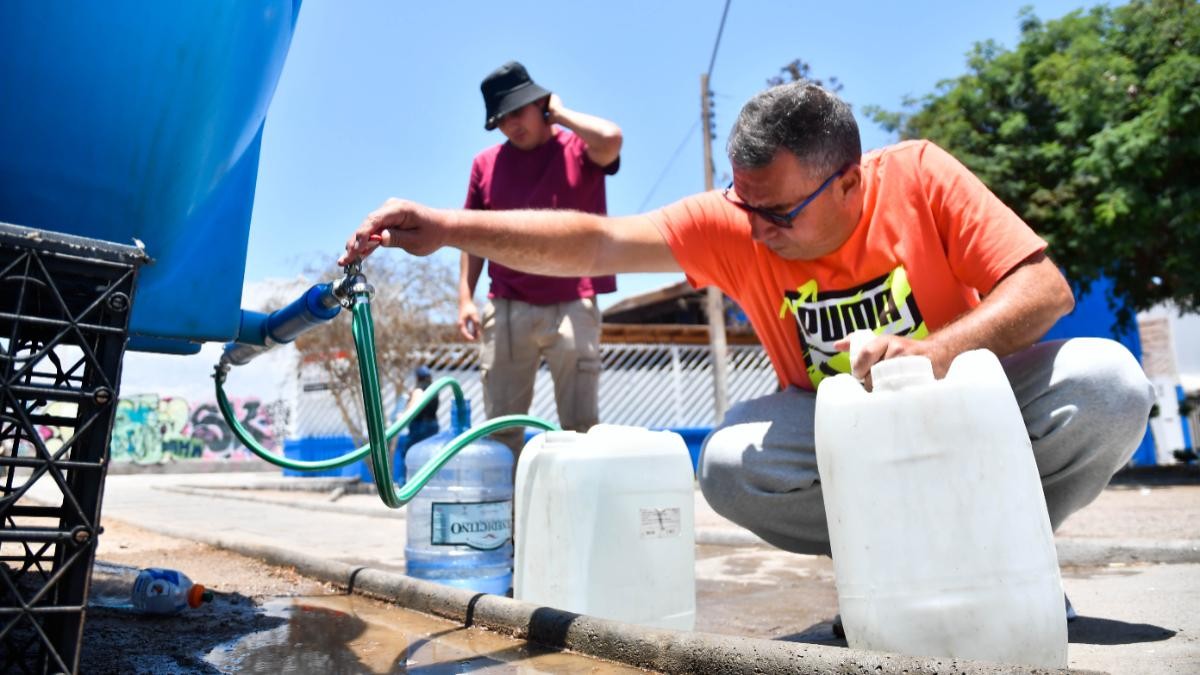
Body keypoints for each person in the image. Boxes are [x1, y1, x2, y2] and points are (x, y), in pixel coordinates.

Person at [342, 82, 1153, 569]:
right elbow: (594, 239)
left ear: (850, 182)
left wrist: (929, 354)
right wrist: (450, 226)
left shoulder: (921, 176)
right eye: (744, 205)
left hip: (965, 397)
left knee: (1110, 383)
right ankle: (888, 565)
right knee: (730, 462)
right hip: (836, 426)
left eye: (780, 212)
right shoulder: (736, 220)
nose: (756, 229)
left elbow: (1042, 288)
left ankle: (1006, 546)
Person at [456, 61, 623, 454]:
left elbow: (612, 139)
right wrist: (465, 297)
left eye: (519, 111)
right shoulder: (485, 164)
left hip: (573, 302)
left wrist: (561, 113)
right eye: (501, 118)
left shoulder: (578, 149)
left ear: (540, 105)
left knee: (582, 429)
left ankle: (580, 513)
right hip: (507, 303)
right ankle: (509, 514)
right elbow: (471, 236)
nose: (512, 124)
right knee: (501, 431)